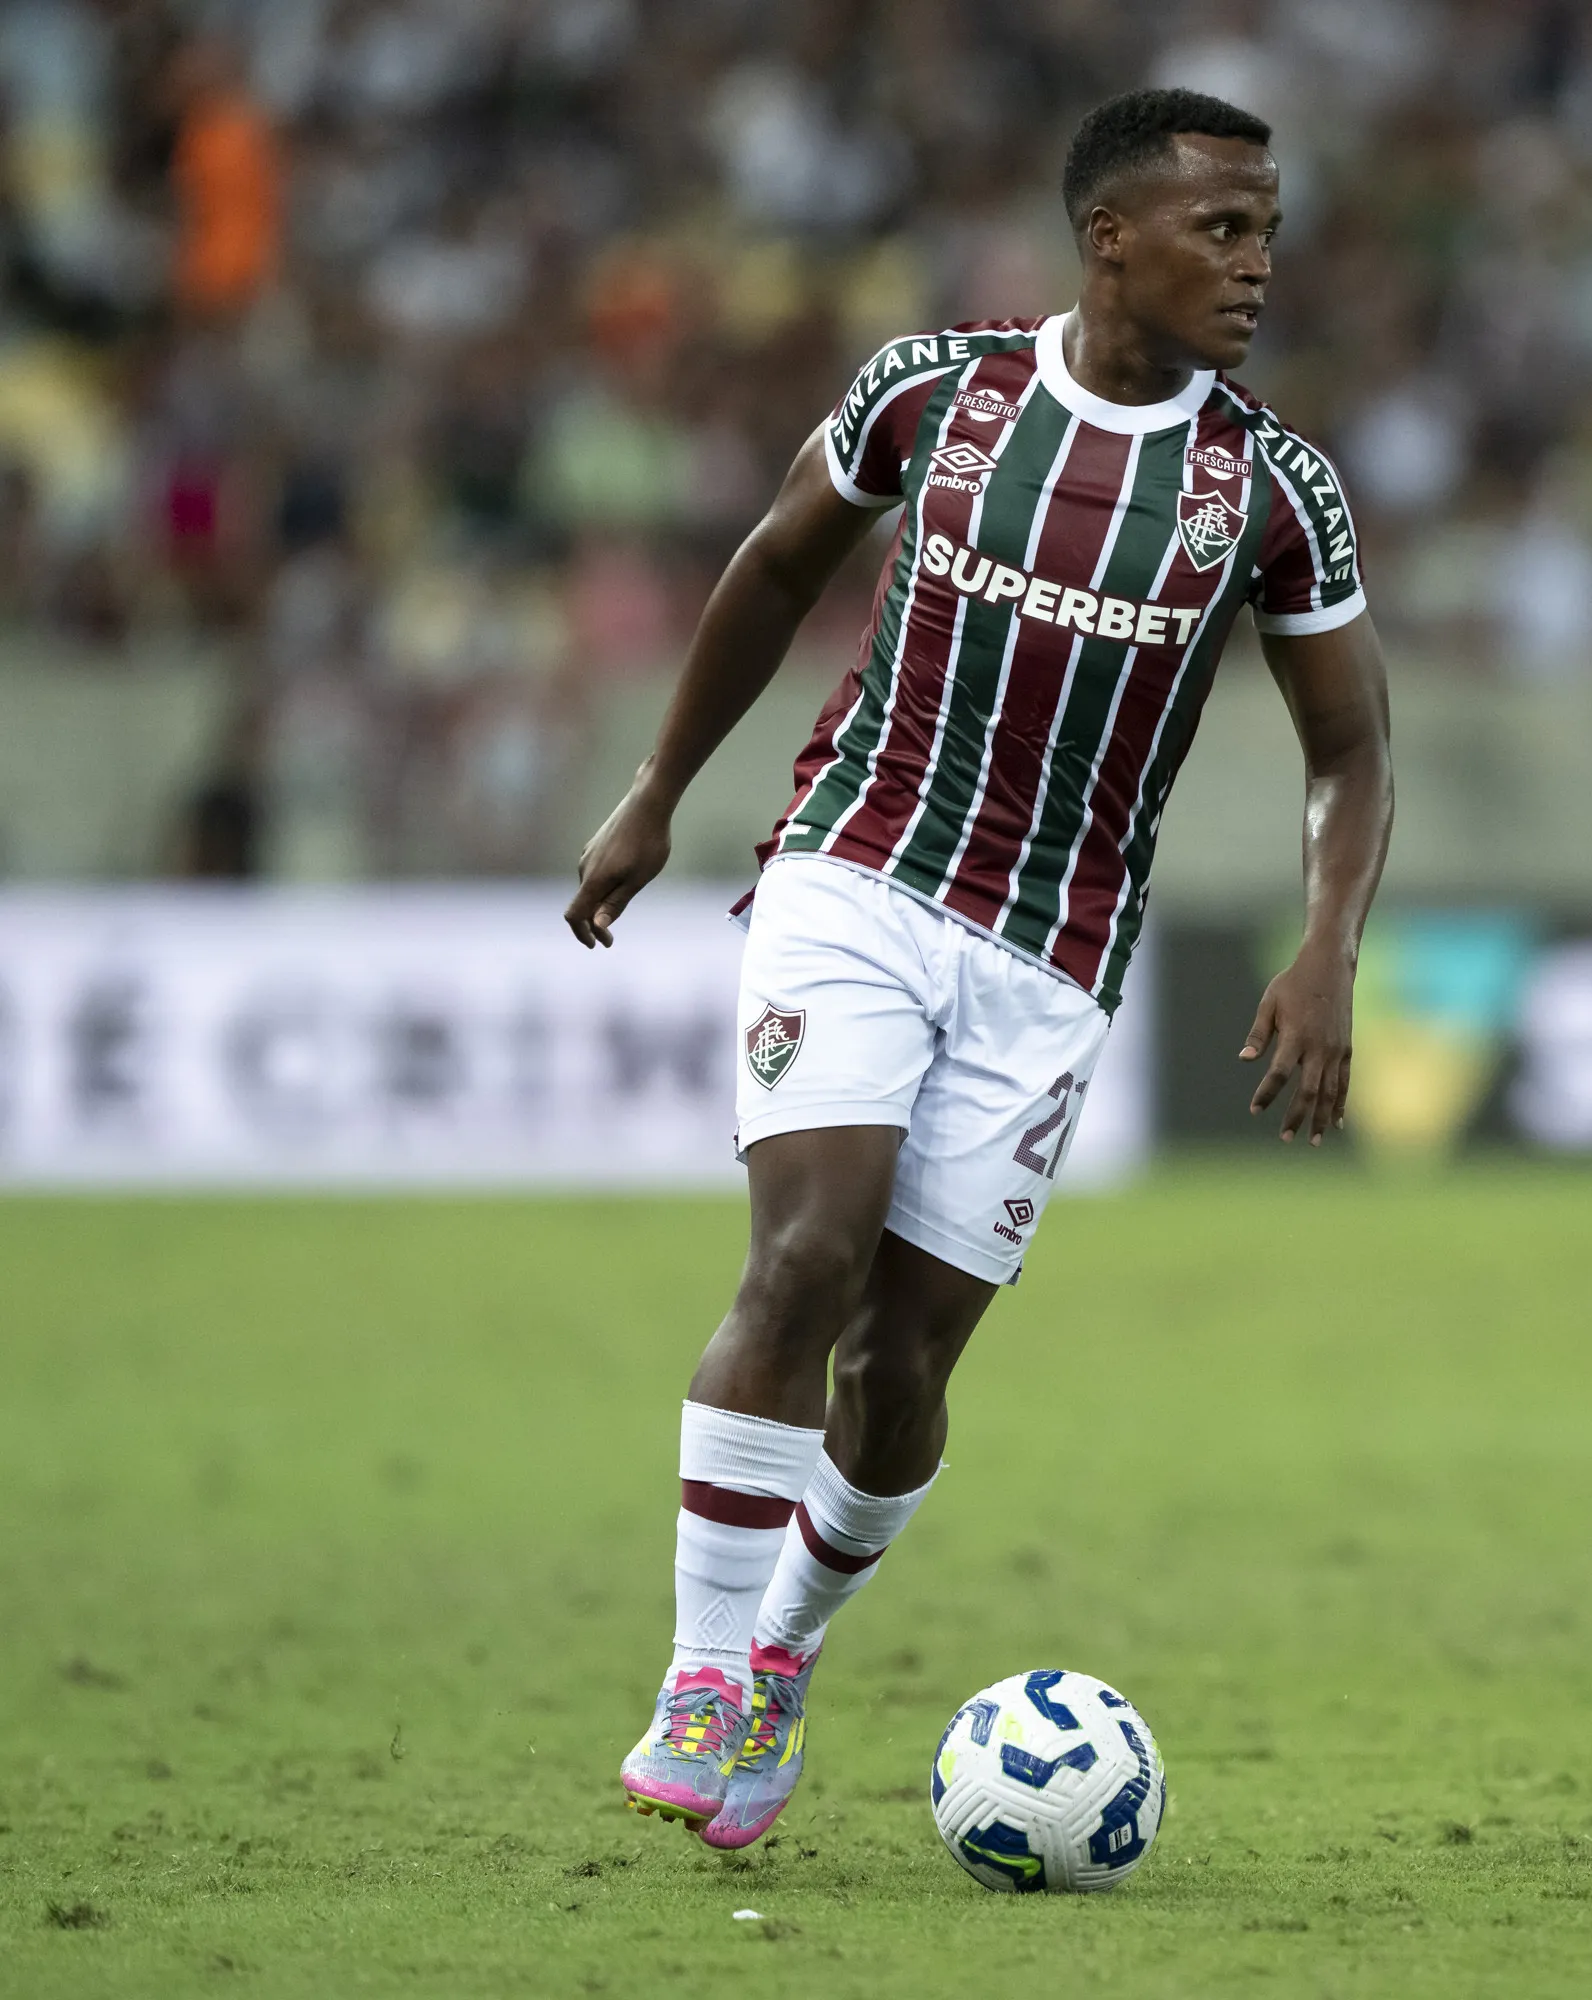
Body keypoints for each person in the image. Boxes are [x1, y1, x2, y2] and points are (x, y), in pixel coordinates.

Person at [564, 88, 1392, 1850]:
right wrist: (656, 790)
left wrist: (1327, 945)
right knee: (805, 1253)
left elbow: (1350, 749)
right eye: (1222, 229)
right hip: (858, 870)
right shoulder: (932, 395)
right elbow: (771, 568)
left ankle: (782, 1654)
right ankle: (702, 1673)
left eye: (1268, 232)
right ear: (1111, 238)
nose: (1258, 264)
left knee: (901, 1365)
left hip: (1054, 951)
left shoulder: (1275, 490)